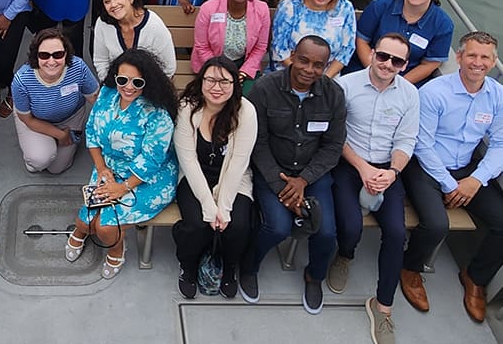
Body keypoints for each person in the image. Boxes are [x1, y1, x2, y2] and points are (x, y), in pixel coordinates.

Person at [400, 31, 503, 324]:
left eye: (485, 57)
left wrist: (476, 179)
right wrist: (449, 184)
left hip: (467, 169)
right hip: (427, 167)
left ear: (493, 61)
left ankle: (475, 277)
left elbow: (500, 143)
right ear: (459, 57)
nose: (478, 63)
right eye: (472, 55)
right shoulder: (434, 92)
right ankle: (410, 268)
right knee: (436, 224)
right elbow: (422, 144)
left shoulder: (497, 95)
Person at [241, 36, 346, 314]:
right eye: (304, 60)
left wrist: (304, 180)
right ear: (292, 56)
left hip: (312, 174)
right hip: (273, 169)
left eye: (318, 65)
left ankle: (314, 276)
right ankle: (249, 267)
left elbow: (333, 146)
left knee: (326, 232)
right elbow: (256, 141)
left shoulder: (334, 95)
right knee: (277, 227)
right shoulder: (265, 88)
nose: (309, 69)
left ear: (326, 66)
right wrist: (282, 186)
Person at [330, 33, 419, 344]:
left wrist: (391, 172)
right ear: (372, 54)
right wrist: (363, 168)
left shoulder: (409, 95)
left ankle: (383, 308)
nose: (387, 64)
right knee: (350, 225)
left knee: (396, 232)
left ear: (404, 65)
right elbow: (336, 136)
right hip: (350, 165)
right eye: (383, 56)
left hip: (387, 169)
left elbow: (406, 140)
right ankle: (345, 255)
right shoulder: (346, 86)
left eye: (396, 61)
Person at [65, 49, 178, 280]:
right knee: (86, 222)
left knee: (105, 227)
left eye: (137, 82)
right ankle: (83, 229)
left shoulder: (157, 115)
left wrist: (122, 187)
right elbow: (92, 132)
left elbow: (151, 161)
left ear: (147, 82)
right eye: (122, 80)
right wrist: (101, 168)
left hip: (147, 179)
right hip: (109, 168)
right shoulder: (107, 94)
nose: (128, 87)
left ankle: (116, 250)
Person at [173, 57, 258, 299]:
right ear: (201, 81)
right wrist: (209, 207)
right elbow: (188, 160)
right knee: (197, 224)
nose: (216, 87)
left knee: (237, 225)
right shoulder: (187, 108)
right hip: (195, 176)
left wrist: (224, 207)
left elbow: (239, 163)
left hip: (233, 177)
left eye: (224, 82)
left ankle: (230, 269)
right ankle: (188, 266)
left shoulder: (246, 111)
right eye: (210, 80)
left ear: (234, 84)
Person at [12, 29, 99, 174]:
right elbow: (27, 118)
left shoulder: (79, 67)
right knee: (39, 161)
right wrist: (61, 135)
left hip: (71, 117)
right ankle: (34, 153)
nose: (51, 61)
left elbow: (96, 99)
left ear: (66, 54)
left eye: (58, 54)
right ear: (36, 56)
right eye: (44, 55)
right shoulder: (22, 80)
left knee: (56, 168)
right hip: (35, 120)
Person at [351, 0, 454, 86]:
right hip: (367, 69)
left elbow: (430, 63)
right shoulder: (380, 5)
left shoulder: (443, 25)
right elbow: (362, 40)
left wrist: (397, 84)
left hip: (405, 79)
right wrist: (376, 73)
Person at [191, 0, 271, 90]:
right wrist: (220, 71)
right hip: (211, 64)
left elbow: (260, 48)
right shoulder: (209, 8)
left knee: (247, 98)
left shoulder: (262, 9)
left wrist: (243, 72)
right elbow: (202, 46)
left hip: (244, 66)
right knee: (216, 94)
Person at [271, 0, 356, 78]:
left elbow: (346, 49)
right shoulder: (289, 7)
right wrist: (301, 75)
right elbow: (279, 49)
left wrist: (324, 79)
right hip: (290, 72)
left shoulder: (345, 8)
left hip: (327, 76)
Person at [92, 0, 176, 79]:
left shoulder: (154, 25)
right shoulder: (102, 24)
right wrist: (113, 84)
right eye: (107, 1)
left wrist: (140, 87)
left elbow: (168, 68)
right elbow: (101, 61)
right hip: (116, 84)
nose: (113, 4)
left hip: (151, 84)